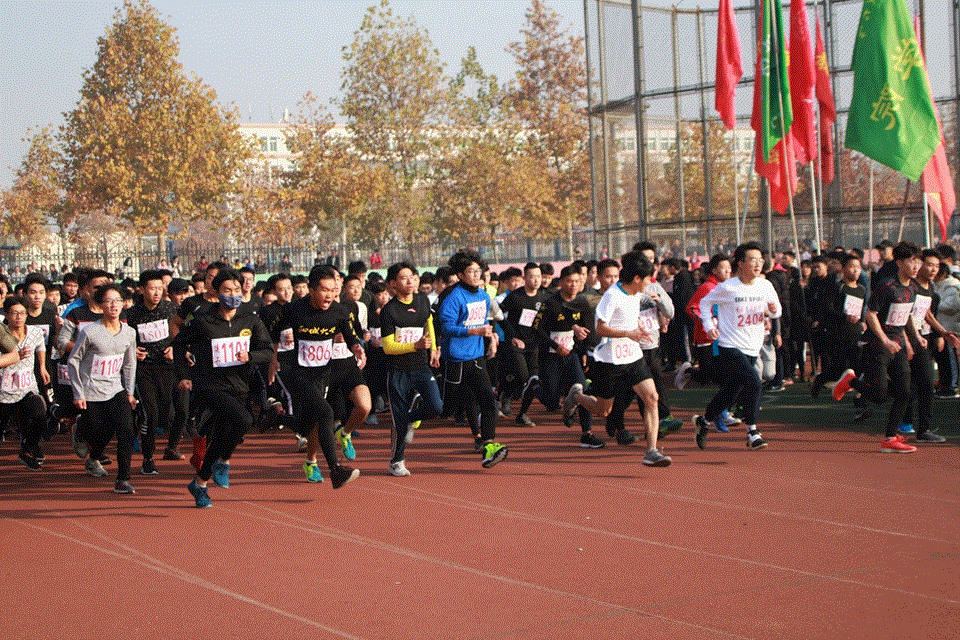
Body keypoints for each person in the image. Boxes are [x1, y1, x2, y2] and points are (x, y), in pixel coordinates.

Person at [560, 251, 671, 467]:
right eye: (647, 278)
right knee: (603, 411)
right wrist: (628, 333)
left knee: (652, 397)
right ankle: (577, 397)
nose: (649, 283)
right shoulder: (612, 296)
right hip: (609, 361)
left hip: (633, 357)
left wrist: (638, 328)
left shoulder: (636, 293)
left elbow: (628, 318)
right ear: (637, 278)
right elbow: (600, 328)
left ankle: (651, 451)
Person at [175, 270, 274, 508]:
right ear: (216, 292)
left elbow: (267, 350)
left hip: (239, 385)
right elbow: (178, 344)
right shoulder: (203, 320)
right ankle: (224, 461)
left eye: (237, 290)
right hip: (209, 384)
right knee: (244, 419)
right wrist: (184, 375)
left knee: (222, 435)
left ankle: (200, 483)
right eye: (227, 290)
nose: (233, 295)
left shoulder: (250, 320)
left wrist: (250, 356)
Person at [269, 265, 362, 490]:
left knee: (308, 425)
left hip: (323, 374)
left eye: (332, 290)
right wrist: (273, 359)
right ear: (311, 290)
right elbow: (272, 332)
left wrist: (357, 348)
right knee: (326, 413)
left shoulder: (339, 311)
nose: (329, 295)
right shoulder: (294, 309)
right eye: (324, 290)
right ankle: (336, 470)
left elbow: (350, 336)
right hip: (298, 373)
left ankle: (279, 419)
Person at [831, 242, 928, 453]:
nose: (916, 266)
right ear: (899, 262)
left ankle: (890, 438)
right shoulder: (887, 285)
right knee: (878, 396)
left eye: (918, 262)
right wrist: (884, 339)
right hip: (878, 345)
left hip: (898, 345)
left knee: (905, 392)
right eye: (912, 261)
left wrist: (915, 337)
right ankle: (851, 381)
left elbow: (907, 315)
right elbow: (870, 314)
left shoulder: (912, 288)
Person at [692, 242, 782, 451]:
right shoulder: (728, 287)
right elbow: (704, 303)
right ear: (740, 263)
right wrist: (709, 326)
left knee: (731, 393)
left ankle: (704, 421)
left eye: (760, 260)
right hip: (729, 345)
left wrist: (772, 310)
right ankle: (752, 432)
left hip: (753, 345)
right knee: (755, 382)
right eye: (753, 260)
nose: (758, 264)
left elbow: (776, 311)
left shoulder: (765, 285)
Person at [436, 250, 508, 467]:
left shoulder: (484, 296)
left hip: (476, 357)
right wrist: (472, 332)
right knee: (446, 410)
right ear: (460, 274)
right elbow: (446, 328)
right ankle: (418, 408)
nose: (477, 275)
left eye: (479, 271)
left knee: (488, 401)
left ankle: (488, 446)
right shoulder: (453, 297)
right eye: (471, 271)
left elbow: (485, 323)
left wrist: (491, 339)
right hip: (455, 358)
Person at [67, 284, 138, 494]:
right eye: (109, 301)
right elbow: (73, 361)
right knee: (99, 431)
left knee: (126, 430)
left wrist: (130, 392)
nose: (114, 305)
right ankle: (83, 432)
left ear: (124, 304)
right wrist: (78, 393)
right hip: (91, 391)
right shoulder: (90, 332)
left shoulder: (129, 333)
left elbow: (129, 364)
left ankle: (123, 479)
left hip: (116, 389)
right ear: (101, 305)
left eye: (118, 300)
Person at [520, 265, 602, 447]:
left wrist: (584, 351)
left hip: (572, 355)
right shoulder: (550, 303)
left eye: (577, 281)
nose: (574, 285)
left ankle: (587, 434)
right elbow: (536, 328)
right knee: (551, 402)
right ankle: (534, 386)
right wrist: (555, 346)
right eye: (570, 281)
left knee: (583, 390)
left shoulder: (582, 303)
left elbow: (585, 330)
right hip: (550, 356)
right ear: (562, 282)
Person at [381, 262, 443, 475]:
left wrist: (433, 348)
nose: (410, 281)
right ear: (393, 284)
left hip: (421, 367)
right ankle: (396, 461)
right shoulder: (389, 311)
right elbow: (388, 347)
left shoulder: (423, 300)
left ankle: (408, 419)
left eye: (412, 277)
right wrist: (415, 345)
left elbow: (429, 322)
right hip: (398, 371)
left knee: (436, 407)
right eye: (404, 278)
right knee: (398, 420)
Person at [126, 270, 178, 470]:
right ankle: (148, 458)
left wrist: (174, 347)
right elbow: (123, 339)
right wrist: (132, 351)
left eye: (160, 288)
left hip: (167, 367)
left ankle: (140, 421)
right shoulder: (132, 314)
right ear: (141, 289)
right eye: (152, 289)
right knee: (151, 414)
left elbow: (183, 332)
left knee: (165, 414)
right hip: (144, 369)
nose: (157, 293)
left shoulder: (171, 309)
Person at [1, 297, 48, 469]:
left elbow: (40, 346)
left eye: (22, 313)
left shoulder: (35, 332)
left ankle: (27, 449)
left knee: (40, 416)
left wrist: (42, 367)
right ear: (6, 315)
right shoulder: (2, 335)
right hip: (4, 391)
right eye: (14, 313)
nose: (19, 317)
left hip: (27, 387)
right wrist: (14, 357)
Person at [500, 262, 546, 427]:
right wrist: (511, 335)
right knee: (522, 376)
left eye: (539, 276)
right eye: (532, 277)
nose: (536, 280)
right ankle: (507, 393)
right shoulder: (515, 297)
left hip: (534, 345)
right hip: (516, 344)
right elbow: (499, 315)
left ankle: (522, 414)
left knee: (533, 381)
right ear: (525, 278)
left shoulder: (544, 297)